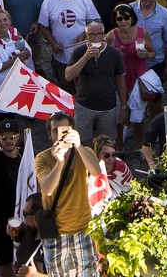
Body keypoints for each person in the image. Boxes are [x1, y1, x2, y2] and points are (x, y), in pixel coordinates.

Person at [34, 112, 103, 277]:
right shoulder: (43, 158)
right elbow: (48, 189)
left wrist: (78, 146)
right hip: (55, 231)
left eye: (65, 130)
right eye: (56, 131)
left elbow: (96, 171)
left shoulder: (84, 151)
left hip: (82, 228)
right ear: (50, 135)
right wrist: (59, 162)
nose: (60, 135)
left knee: (90, 273)